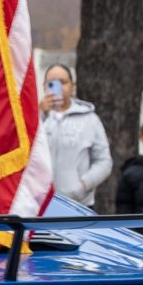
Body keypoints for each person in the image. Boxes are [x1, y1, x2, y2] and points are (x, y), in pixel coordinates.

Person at [40, 64, 112, 205]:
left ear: (72, 86)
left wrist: (84, 184)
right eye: (52, 83)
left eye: (63, 82)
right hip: (41, 204)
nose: (58, 87)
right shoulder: (35, 118)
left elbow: (104, 161)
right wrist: (40, 114)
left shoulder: (89, 119)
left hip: (78, 204)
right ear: (44, 86)